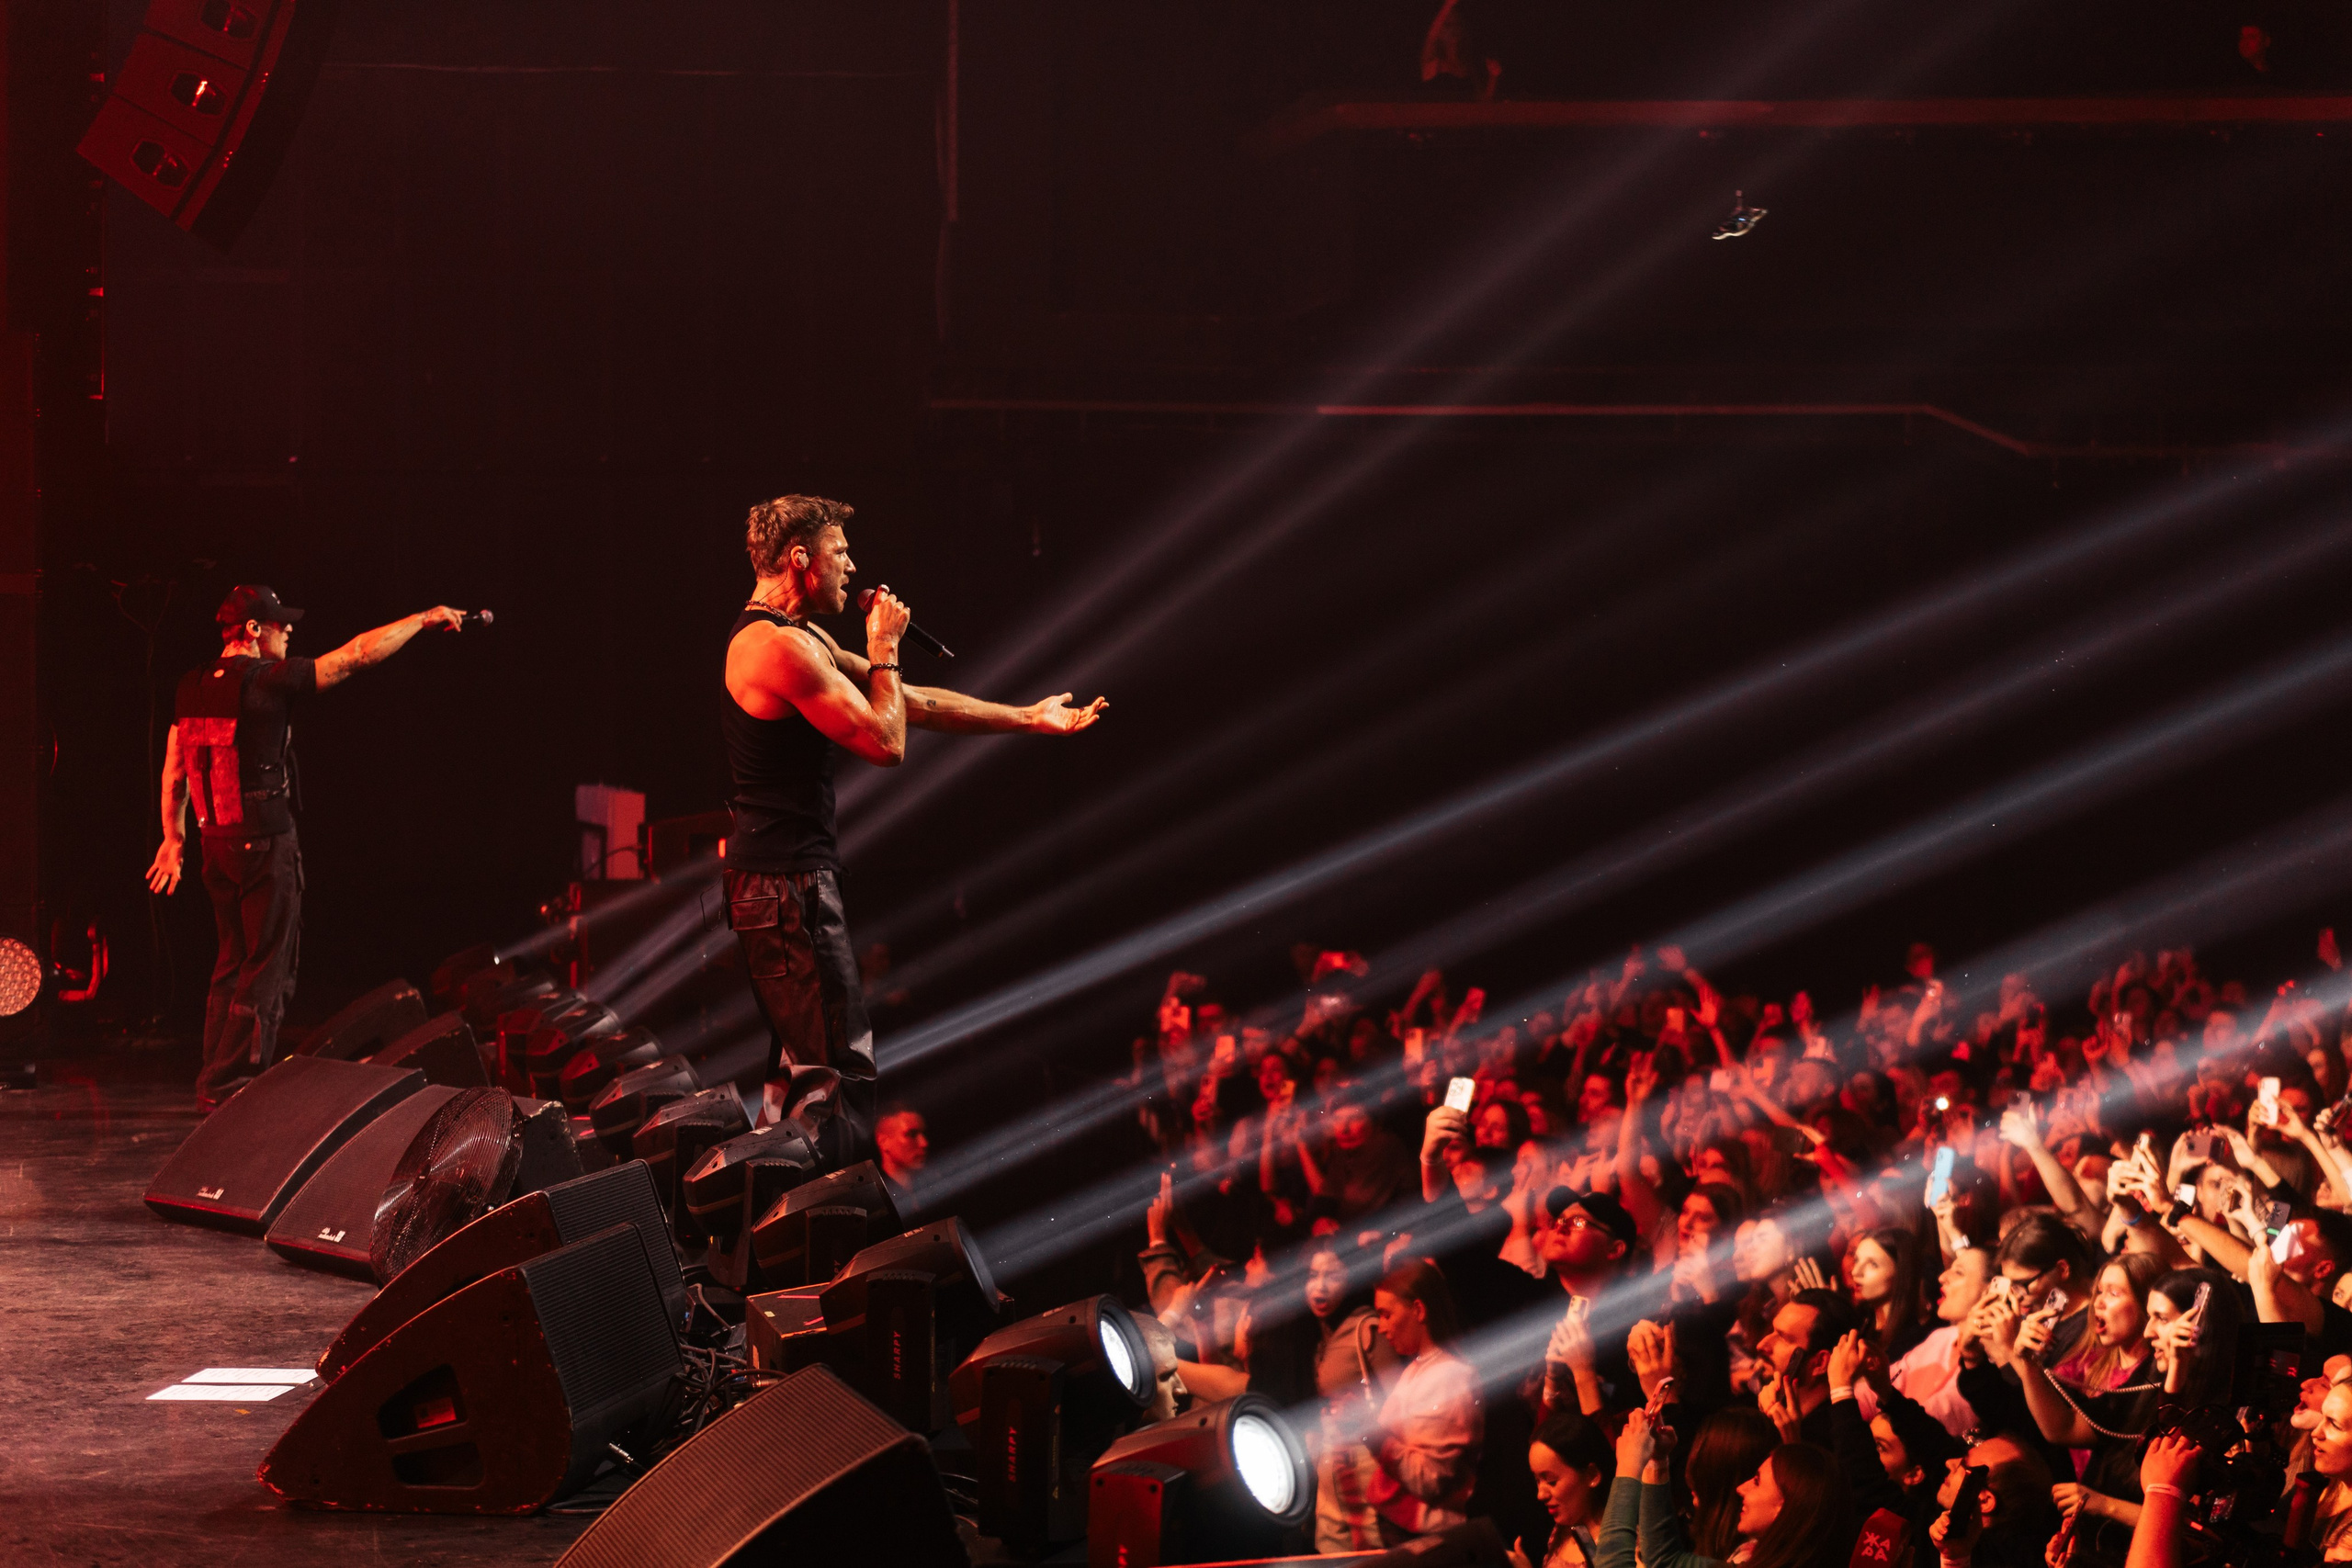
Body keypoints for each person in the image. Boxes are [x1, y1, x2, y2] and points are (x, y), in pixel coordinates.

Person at [721, 494, 1107, 1164]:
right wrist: (883, 644)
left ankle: (782, 1241)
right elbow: (886, 739)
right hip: (788, 888)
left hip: (788, 883)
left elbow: (911, 702)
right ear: (800, 559)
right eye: (840, 552)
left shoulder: (800, 639)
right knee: (835, 1081)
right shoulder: (773, 648)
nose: (853, 565)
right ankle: (825, 1242)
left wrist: (1027, 717)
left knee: (802, 1080)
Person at [146, 585, 475, 1110]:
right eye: (280, 623)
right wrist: (420, 618)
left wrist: (174, 838)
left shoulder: (190, 686)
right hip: (264, 843)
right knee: (265, 965)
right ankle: (233, 1084)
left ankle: (214, 1075)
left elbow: (174, 770)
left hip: (216, 846)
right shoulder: (269, 681)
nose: (289, 630)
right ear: (253, 630)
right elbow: (355, 656)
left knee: (231, 963)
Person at [1368, 1257, 1485, 1544]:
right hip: (1406, 1532)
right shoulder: (1418, 1369)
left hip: (1430, 1538)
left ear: (1418, 1310)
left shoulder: (1450, 1378)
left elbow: (1431, 1480)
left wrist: (1376, 1438)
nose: (1381, 1328)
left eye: (1386, 1315)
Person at [1503, 1410, 1616, 1568]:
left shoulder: (1619, 1543)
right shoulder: (1561, 1532)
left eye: (1551, 1481)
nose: (1540, 1495)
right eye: (1537, 1480)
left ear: (1591, 1475)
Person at [876, 1104, 929, 1202]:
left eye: (923, 1134)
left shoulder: (930, 1188)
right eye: (911, 1134)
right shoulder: (875, 1199)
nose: (924, 1143)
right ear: (884, 1142)